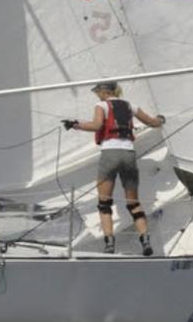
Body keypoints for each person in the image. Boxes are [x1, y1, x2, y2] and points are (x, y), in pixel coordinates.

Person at [63, 81, 165, 255]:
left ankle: (109, 245)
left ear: (104, 92)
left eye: (97, 92)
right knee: (133, 203)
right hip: (129, 155)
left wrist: (74, 124)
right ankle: (145, 241)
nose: (97, 95)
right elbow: (153, 122)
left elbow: (96, 126)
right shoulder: (130, 106)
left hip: (110, 155)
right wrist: (161, 119)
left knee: (104, 204)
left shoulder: (101, 105)